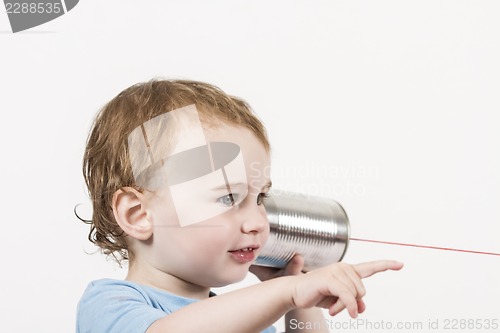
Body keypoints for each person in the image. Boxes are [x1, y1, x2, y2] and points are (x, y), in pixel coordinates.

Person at [76, 79, 403, 333]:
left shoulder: (251, 320)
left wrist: (301, 302)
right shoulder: (110, 305)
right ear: (139, 214)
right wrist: (289, 292)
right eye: (227, 198)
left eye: (260, 198)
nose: (259, 223)